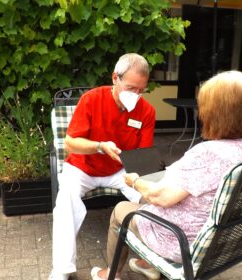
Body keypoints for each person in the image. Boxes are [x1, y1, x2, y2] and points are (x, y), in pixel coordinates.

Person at [91, 70, 242, 280]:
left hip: (182, 241)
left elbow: (161, 197)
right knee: (145, 200)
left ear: (218, 112)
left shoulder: (210, 153)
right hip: (238, 239)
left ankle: (110, 274)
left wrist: (135, 181)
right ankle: (147, 264)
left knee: (121, 210)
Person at [50, 53, 156, 280]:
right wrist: (99, 146)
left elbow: (143, 156)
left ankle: (149, 260)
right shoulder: (91, 99)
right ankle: (62, 268)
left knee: (154, 197)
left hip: (120, 170)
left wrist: (146, 180)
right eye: (130, 87)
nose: (135, 95)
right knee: (65, 201)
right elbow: (70, 143)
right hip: (82, 167)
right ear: (115, 78)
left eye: (141, 90)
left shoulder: (146, 111)